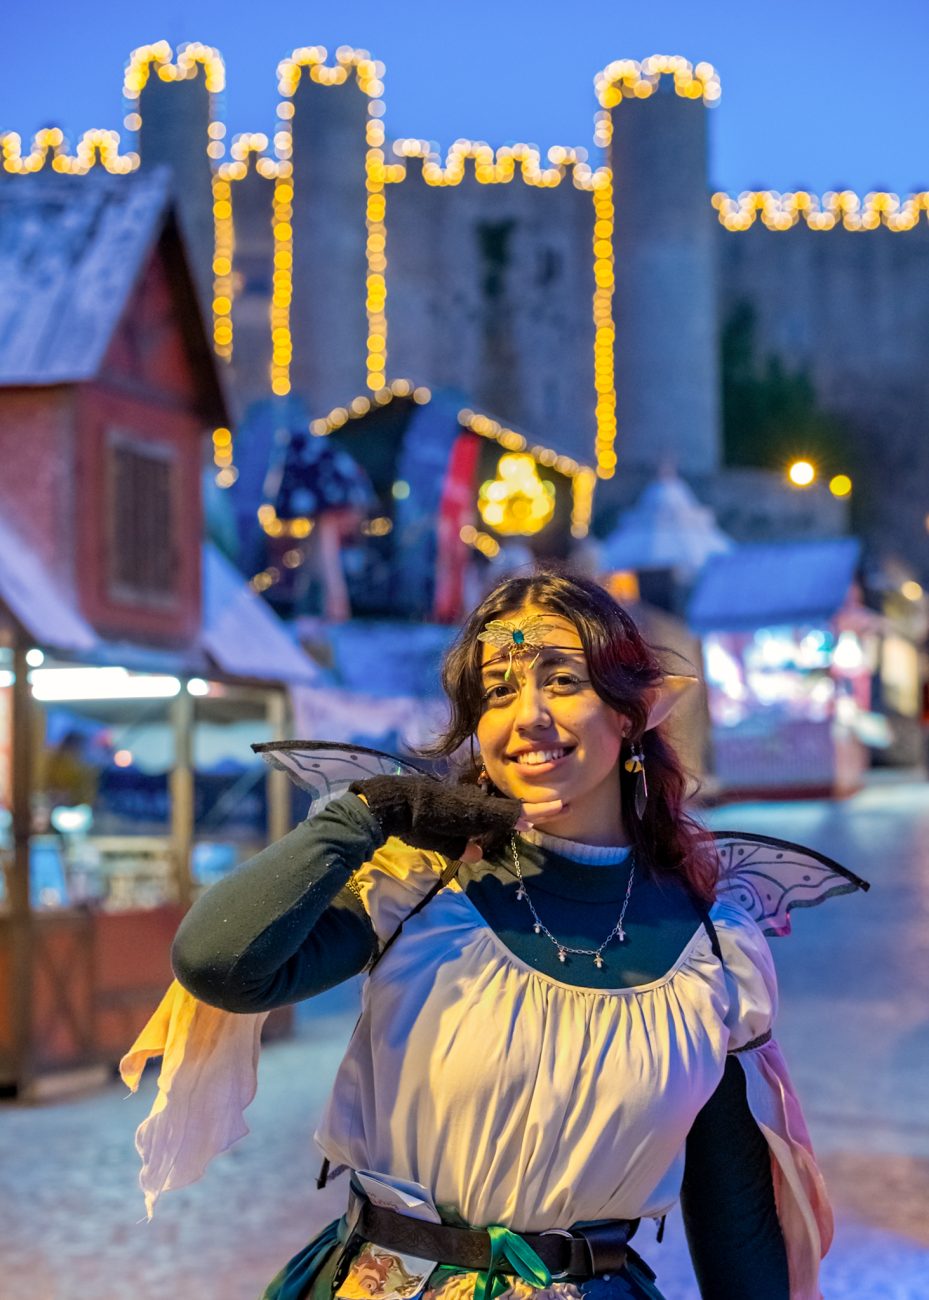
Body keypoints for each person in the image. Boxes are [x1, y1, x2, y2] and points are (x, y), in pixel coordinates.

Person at [122, 572, 835, 1300]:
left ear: (629, 714)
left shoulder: (712, 953)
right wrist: (364, 814)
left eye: (561, 680)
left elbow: (734, 1220)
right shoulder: (416, 891)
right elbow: (218, 964)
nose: (526, 715)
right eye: (496, 692)